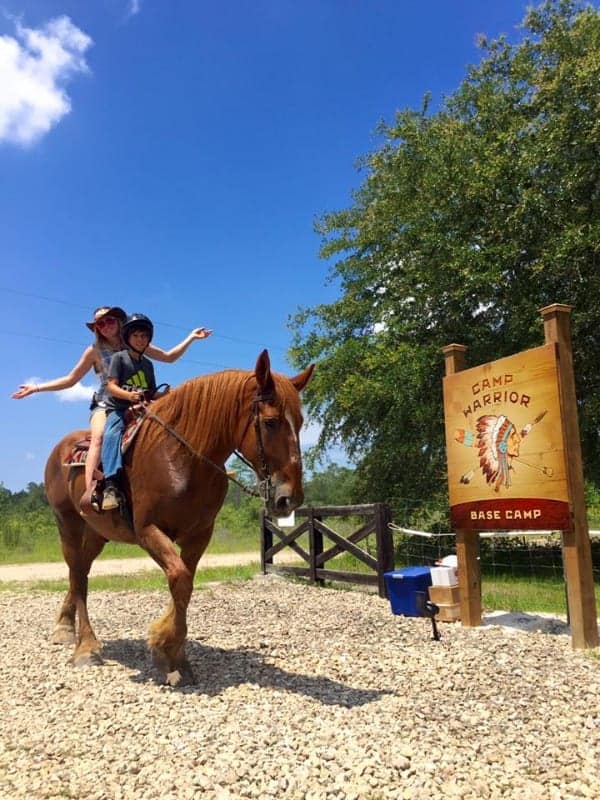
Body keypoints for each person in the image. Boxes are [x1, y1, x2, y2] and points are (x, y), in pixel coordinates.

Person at [11, 305, 212, 510]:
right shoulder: (94, 351)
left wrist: (191, 338)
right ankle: (92, 491)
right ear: (96, 328)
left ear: (119, 322)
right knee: (100, 437)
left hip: (140, 400)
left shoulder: (136, 342)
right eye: (100, 323)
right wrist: (36, 387)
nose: (105, 326)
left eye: (109, 321)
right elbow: (71, 380)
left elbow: (169, 357)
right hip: (107, 404)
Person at [100, 313, 162, 511]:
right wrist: (129, 397)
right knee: (111, 433)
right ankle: (110, 485)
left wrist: (166, 395)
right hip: (119, 409)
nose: (140, 339)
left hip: (143, 408)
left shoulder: (148, 364)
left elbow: (151, 392)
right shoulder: (119, 358)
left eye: (144, 336)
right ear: (127, 338)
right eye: (136, 336)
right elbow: (111, 386)